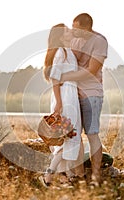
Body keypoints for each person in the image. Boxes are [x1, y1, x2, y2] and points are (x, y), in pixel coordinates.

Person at [60, 13, 108, 184]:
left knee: (92, 134)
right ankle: (79, 174)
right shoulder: (74, 40)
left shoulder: (99, 41)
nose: (73, 31)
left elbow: (92, 70)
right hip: (73, 95)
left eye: (76, 27)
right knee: (74, 135)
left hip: (91, 94)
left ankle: (96, 175)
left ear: (86, 27)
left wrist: (65, 77)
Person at [39, 23, 84, 187]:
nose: (70, 32)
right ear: (60, 36)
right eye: (66, 31)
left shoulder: (69, 52)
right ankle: (48, 175)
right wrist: (58, 102)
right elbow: (55, 79)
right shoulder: (61, 53)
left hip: (71, 95)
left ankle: (69, 176)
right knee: (67, 136)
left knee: (72, 136)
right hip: (64, 95)